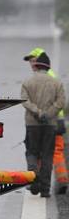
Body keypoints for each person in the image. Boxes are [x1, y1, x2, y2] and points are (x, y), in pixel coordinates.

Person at [23, 48, 69, 194]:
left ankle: (33, 178)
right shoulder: (56, 82)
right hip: (50, 123)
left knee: (32, 153)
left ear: (37, 64)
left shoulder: (27, 82)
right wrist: (48, 114)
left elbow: (25, 101)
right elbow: (61, 101)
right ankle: (45, 189)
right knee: (48, 155)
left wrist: (38, 112)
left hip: (32, 123)